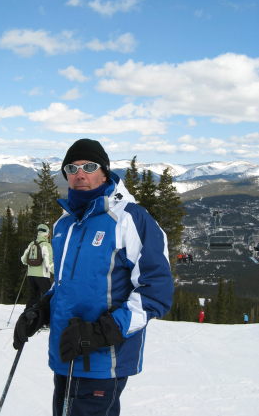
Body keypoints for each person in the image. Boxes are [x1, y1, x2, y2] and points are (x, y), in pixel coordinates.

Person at [14, 139, 174, 416]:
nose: (80, 174)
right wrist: (41, 311)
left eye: (89, 166)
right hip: (66, 355)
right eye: (72, 168)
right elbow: (67, 285)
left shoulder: (129, 219)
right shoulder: (65, 223)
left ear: (104, 171)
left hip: (103, 359)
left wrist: (101, 332)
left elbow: (155, 291)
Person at [21, 223, 53, 308]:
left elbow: (23, 259)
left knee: (33, 297)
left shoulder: (32, 244)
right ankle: (46, 318)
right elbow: (48, 264)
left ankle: (27, 318)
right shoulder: (46, 245)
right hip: (42, 276)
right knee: (48, 297)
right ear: (47, 234)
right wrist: (58, 273)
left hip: (30, 275)